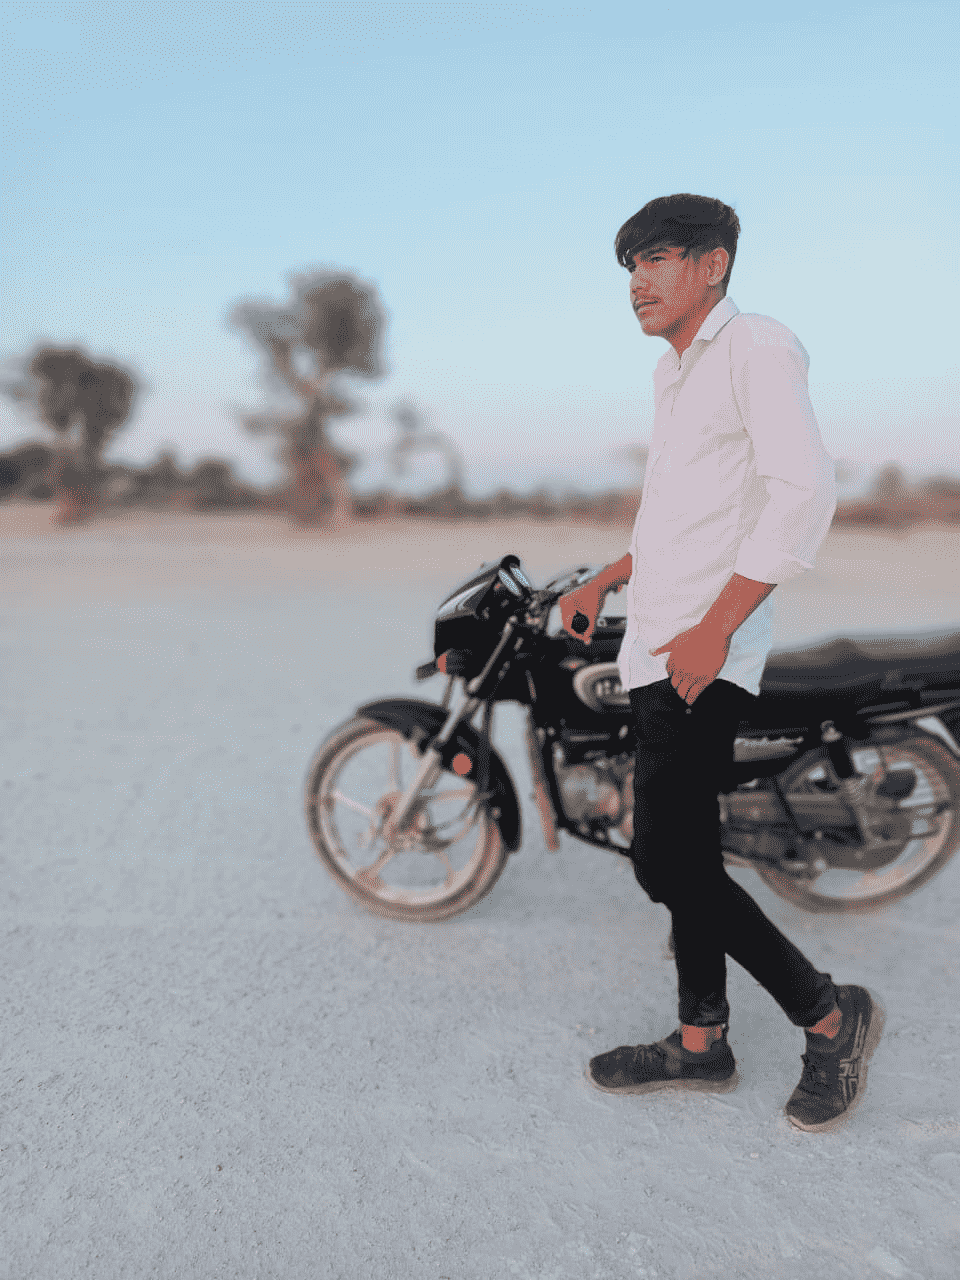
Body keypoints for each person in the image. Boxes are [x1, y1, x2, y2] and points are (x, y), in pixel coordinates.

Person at [559, 193, 884, 1132]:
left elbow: (802, 491)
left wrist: (716, 628)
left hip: (704, 653)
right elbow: (682, 515)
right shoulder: (674, 374)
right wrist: (609, 577)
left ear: (714, 265)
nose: (638, 281)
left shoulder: (757, 347)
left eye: (657, 258)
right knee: (683, 858)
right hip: (657, 644)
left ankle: (830, 1017)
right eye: (630, 266)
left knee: (667, 862)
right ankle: (702, 1043)